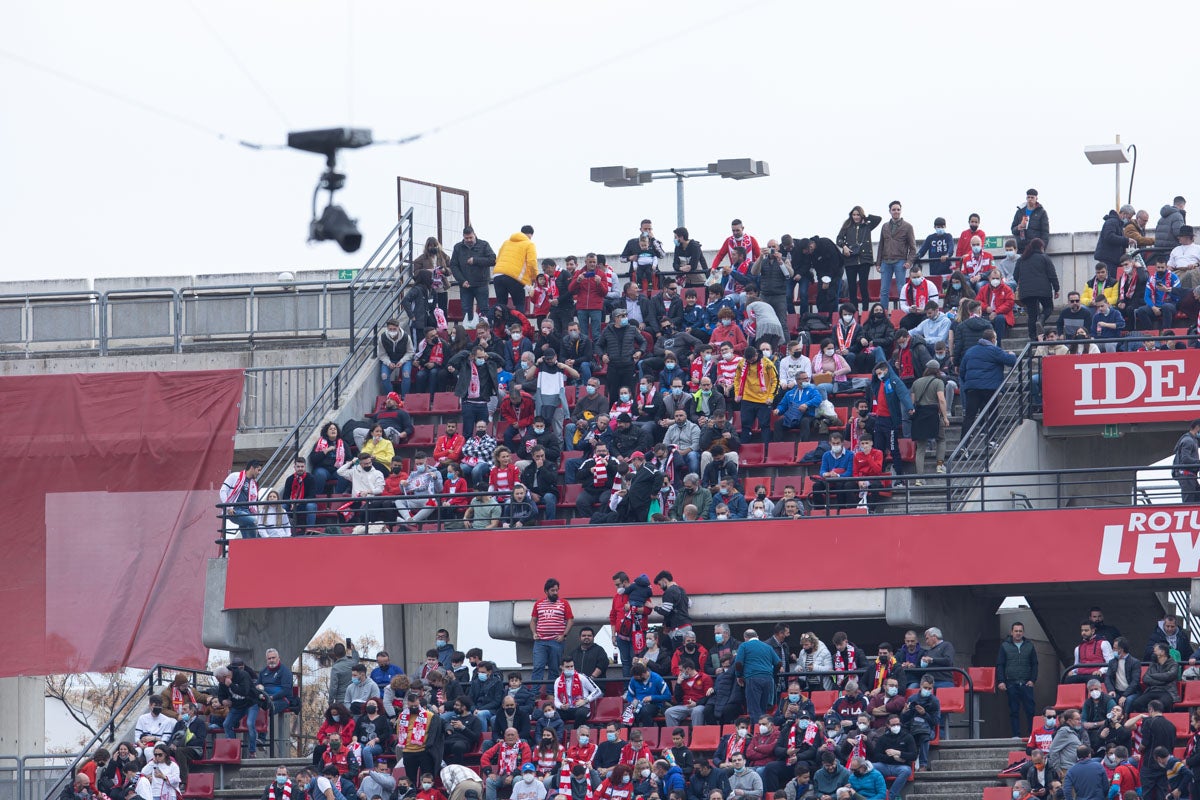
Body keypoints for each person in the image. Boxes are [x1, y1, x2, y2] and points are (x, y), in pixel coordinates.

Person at [959, 327, 1016, 434]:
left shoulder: (970, 351)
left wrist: (969, 382)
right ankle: (990, 438)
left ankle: (964, 442)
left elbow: (962, 371)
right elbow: (1011, 361)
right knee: (992, 413)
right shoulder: (995, 350)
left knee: (969, 416)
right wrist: (1012, 355)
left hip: (972, 388)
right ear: (993, 339)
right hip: (990, 388)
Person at [997, 621, 1039, 738]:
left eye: (1020, 631)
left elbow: (1035, 664)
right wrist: (1001, 681)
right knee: (1014, 710)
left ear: (1023, 632)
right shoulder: (1005, 646)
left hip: (1026, 683)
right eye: (1016, 631)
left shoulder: (1029, 646)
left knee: (1030, 711)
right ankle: (1016, 735)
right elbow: (1000, 665)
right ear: (1011, 632)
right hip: (1011, 683)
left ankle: (1032, 735)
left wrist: (1033, 680)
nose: (1018, 633)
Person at [909, 361, 948, 481]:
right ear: (937, 370)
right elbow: (941, 400)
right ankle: (940, 465)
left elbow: (912, 402)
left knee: (920, 447)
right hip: (933, 414)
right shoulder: (938, 382)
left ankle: (919, 478)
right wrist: (945, 417)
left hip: (919, 415)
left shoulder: (916, 382)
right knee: (941, 439)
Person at [837, 207, 882, 311]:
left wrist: (865, 218)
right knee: (852, 287)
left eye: (858, 215)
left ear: (861, 215)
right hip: (850, 260)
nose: (856, 217)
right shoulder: (847, 226)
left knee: (863, 286)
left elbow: (878, 219)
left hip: (864, 260)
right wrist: (844, 246)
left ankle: (865, 311)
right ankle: (854, 311)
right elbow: (838, 239)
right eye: (854, 215)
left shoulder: (867, 225)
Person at [1013, 238, 1059, 338]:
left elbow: (1015, 275)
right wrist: (1056, 289)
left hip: (1027, 292)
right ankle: (1041, 319)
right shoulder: (1045, 258)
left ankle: (1033, 338)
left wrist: (1022, 284)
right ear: (1041, 247)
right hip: (1044, 290)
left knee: (1032, 315)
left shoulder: (1021, 259)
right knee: (1048, 307)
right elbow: (1052, 275)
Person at [530, 579, 573, 683]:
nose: (555, 592)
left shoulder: (564, 603)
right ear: (546, 591)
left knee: (554, 668)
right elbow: (533, 621)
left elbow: (570, 620)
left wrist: (564, 635)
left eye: (557, 590)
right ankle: (535, 691)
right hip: (540, 641)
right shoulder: (538, 603)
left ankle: (552, 691)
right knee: (538, 667)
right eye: (552, 590)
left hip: (556, 641)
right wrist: (534, 633)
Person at [735, 629, 782, 722]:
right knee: (763, 709)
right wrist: (772, 673)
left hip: (752, 678)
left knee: (754, 710)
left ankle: (756, 729)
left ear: (745, 638)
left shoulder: (744, 646)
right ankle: (764, 728)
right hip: (768, 679)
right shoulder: (768, 647)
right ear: (757, 637)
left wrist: (739, 676)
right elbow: (779, 663)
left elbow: (738, 663)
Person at [214, 665, 260, 758]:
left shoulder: (243, 675)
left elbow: (245, 691)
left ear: (225, 676)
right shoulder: (222, 683)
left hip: (250, 703)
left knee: (250, 723)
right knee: (227, 724)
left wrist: (231, 685)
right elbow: (221, 695)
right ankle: (233, 750)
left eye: (219, 679)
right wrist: (223, 701)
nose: (219, 682)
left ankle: (252, 751)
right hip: (237, 706)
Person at [664, 658, 714, 727]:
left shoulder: (705, 678)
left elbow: (708, 696)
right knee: (669, 712)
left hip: (699, 705)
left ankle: (696, 733)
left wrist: (696, 703)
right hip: (685, 706)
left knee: (697, 711)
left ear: (688, 669)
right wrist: (678, 684)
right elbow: (678, 698)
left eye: (681, 670)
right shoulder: (682, 679)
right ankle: (676, 733)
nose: (680, 673)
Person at [553, 656, 602, 727]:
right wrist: (561, 706)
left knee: (580, 713)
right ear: (562, 667)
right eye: (567, 667)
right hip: (567, 709)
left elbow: (597, 691)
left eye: (572, 666)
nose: (570, 668)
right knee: (554, 715)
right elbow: (556, 700)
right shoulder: (558, 681)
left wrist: (585, 700)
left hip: (582, 708)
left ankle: (576, 732)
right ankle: (560, 733)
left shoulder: (582, 677)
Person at [219, 460, 262, 538]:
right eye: (258, 470)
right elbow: (223, 491)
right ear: (252, 468)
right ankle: (255, 542)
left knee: (247, 537)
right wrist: (228, 507)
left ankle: (252, 544)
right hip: (235, 510)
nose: (259, 473)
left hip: (247, 511)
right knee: (254, 521)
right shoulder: (235, 476)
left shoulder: (253, 483)